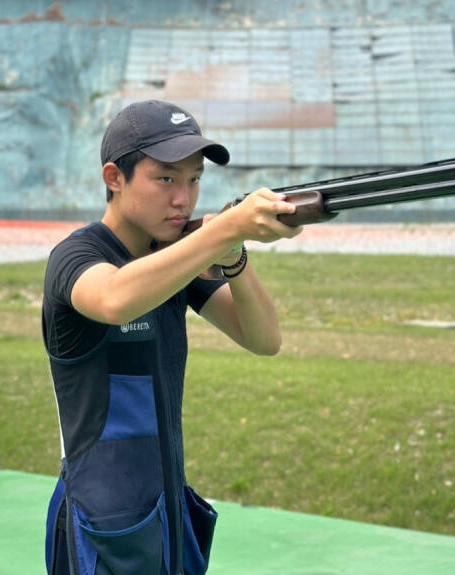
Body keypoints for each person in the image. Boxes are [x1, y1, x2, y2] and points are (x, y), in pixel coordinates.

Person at [43, 99, 302, 575]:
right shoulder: (76, 255)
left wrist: (234, 255)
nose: (184, 198)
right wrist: (223, 229)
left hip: (166, 511)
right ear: (114, 178)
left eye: (194, 179)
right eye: (166, 178)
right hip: (100, 524)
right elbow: (116, 298)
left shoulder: (176, 255)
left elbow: (265, 338)